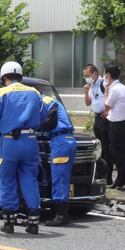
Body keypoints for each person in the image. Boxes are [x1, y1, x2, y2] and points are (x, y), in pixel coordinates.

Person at [0, 61, 46, 234]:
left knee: (7, 179)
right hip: (30, 139)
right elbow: (42, 117)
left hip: (10, 141)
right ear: (20, 75)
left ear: (4, 76)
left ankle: (9, 223)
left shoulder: (1, 93)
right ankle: (33, 223)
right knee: (30, 179)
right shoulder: (35, 93)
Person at [41, 95, 76, 226]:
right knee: (64, 178)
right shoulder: (50, 100)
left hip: (60, 141)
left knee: (59, 178)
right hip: (68, 139)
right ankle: (62, 213)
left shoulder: (42, 101)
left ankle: (61, 215)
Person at [103, 63, 125, 190]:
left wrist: (105, 93)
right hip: (121, 123)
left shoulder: (114, 89)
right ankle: (121, 178)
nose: (104, 76)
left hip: (116, 125)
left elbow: (106, 106)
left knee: (121, 153)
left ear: (108, 75)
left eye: (105, 73)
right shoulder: (122, 87)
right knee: (117, 153)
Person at [82, 64, 113, 185]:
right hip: (97, 118)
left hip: (104, 118)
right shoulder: (92, 85)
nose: (86, 78)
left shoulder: (103, 83)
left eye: (88, 75)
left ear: (95, 73)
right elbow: (88, 103)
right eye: (84, 76)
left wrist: (108, 110)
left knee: (106, 148)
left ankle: (109, 177)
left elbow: (111, 97)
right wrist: (86, 91)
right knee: (99, 148)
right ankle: (101, 174)